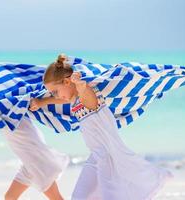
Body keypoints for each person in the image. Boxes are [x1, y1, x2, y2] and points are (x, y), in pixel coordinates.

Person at [30, 54, 173, 200]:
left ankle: (157, 177)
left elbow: (89, 101)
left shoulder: (88, 93)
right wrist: (43, 102)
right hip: (96, 155)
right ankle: (157, 176)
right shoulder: (73, 99)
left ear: (67, 82)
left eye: (55, 91)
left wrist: (81, 86)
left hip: (108, 156)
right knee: (79, 196)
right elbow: (64, 100)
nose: (56, 96)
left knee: (110, 195)